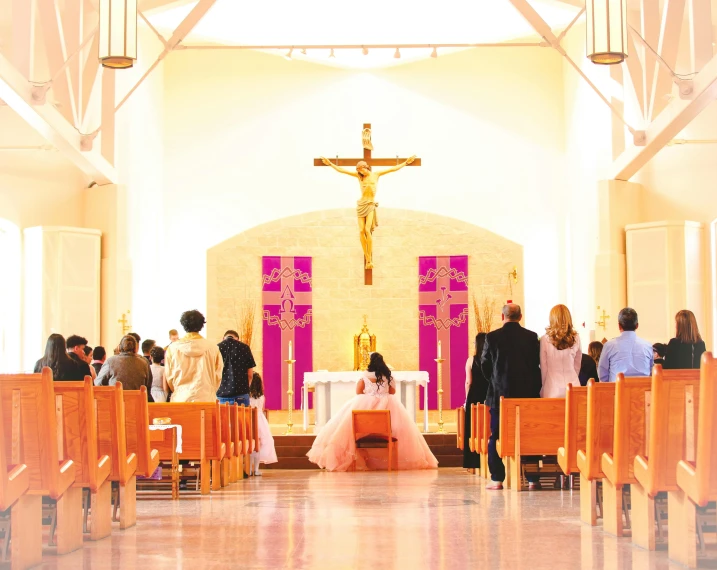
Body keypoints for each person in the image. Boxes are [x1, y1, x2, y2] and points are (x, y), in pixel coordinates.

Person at [307, 352, 438, 472]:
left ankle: (356, 460)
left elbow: (358, 391)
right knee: (398, 429)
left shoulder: (365, 376)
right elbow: (392, 392)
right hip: (388, 405)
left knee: (346, 428)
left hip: (364, 405)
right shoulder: (388, 376)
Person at [481, 304, 541, 490]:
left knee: (496, 435)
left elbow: (485, 364)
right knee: (529, 434)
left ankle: (497, 478)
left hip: (500, 394)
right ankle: (532, 479)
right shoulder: (531, 337)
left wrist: (495, 380)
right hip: (527, 395)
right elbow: (536, 364)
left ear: (502, 316)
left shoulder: (492, 337)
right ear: (520, 316)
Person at [319, 154, 416, 269]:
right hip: (361, 205)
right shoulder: (359, 177)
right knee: (361, 231)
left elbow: (392, 169)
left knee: (367, 229)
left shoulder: (376, 175)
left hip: (370, 204)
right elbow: (342, 171)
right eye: (359, 171)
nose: (362, 173)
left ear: (366, 167)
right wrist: (330, 163)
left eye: (362, 170)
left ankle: (369, 258)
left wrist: (405, 162)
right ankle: (368, 259)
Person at [165, 310, 223, 402]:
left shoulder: (173, 348)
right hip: (206, 398)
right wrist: (210, 390)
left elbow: (169, 376)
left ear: (183, 325)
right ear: (201, 325)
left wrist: (179, 390)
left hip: (181, 398)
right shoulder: (213, 348)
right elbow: (218, 375)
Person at [598, 308, 653, 382]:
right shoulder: (647, 345)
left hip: (618, 390)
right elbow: (651, 372)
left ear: (619, 326)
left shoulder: (609, 346)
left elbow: (602, 374)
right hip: (643, 391)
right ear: (637, 326)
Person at [540, 304, 582, 398]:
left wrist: (544, 386)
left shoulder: (545, 339)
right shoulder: (576, 338)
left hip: (552, 387)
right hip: (573, 384)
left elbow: (544, 366)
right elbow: (577, 363)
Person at [95, 335, 154, 400]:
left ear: (119, 348)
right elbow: (148, 386)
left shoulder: (110, 361)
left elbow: (98, 383)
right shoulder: (144, 363)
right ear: (135, 349)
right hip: (137, 404)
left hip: (115, 403)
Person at [463, 333, 488, 471]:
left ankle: (472, 463)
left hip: (475, 396)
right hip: (488, 395)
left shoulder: (471, 360)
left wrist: (467, 399)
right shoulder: (491, 358)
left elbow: (468, 381)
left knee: (473, 428)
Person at [217, 330, 256, 407]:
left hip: (221, 394)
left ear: (223, 338)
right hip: (241, 394)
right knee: (242, 419)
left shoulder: (217, 348)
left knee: (223, 419)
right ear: (238, 339)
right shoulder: (245, 348)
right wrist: (245, 390)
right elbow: (250, 374)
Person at [249, 372, 278, 476]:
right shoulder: (261, 397)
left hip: (249, 420)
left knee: (250, 445)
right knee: (258, 445)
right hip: (260, 420)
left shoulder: (248, 397)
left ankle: (248, 469)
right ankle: (256, 469)